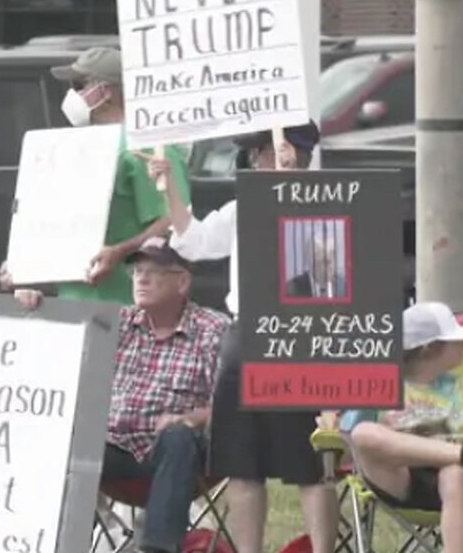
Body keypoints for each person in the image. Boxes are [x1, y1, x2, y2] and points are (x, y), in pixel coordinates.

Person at [141, 122, 339, 553]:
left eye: (263, 152)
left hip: (302, 334)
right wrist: (171, 186)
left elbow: (330, 270)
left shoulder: (330, 201)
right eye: (254, 154)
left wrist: (292, 184)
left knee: (309, 461)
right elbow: (193, 242)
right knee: (241, 462)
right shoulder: (241, 207)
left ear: (293, 152)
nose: (254, 161)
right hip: (246, 334)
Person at [0, 46, 193, 307]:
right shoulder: (74, 148)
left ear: (106, 91)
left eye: (79, 85)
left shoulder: (148, 147)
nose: (73, 94)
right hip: (76, 304)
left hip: (127, 310)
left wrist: (119, 253)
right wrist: (25, 263)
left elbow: (174, 222)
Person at [339, 302, 463, 553]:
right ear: (430, 349)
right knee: (363, 433)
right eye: (455, 341)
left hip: (459, 484)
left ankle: (462, 458)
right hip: (401, 480)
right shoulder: (381, 386)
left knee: (455, 474)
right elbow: (346, 448)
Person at [101, 239, 231, 553]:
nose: (141, 279)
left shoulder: (214, 330)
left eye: (154, 271)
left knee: (178, 436)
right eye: (137, 271)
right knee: (71, 438)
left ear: (182, 281)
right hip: (114, 449)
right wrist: (31, 303)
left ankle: (157, 549)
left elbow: (233, 405)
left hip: (182, 457)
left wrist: (190, 419)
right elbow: (58, 336)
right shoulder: (117, 323)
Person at [286, 234, 346, 299]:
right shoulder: (293, 288)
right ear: (311, 262)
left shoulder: (344, 286)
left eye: (333, 254)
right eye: (325, 261)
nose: (331, 265)